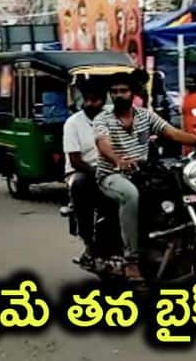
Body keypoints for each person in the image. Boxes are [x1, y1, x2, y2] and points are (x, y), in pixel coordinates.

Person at [94, 71, 196, 282]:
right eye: (114, 91)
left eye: (123, 91)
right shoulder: (104, 118)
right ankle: (131, 260)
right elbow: (102, 142)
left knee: (178, 186)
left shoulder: (145, 115)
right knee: (130, 195)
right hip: (112, 175)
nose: (119, 95)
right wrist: (118, 160)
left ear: (132, 93)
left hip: (143, 171)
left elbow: (172, 133)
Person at [63, 79, 105, 266]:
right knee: (80, 184)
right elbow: (75, 160)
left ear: (103, 101)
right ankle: (89, 244)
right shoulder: (73, 123)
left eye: (94, 100)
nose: (89, 104)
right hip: (81, 169)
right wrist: (97, 170)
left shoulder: (112, 119)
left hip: (110, 168)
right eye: (86, 100)